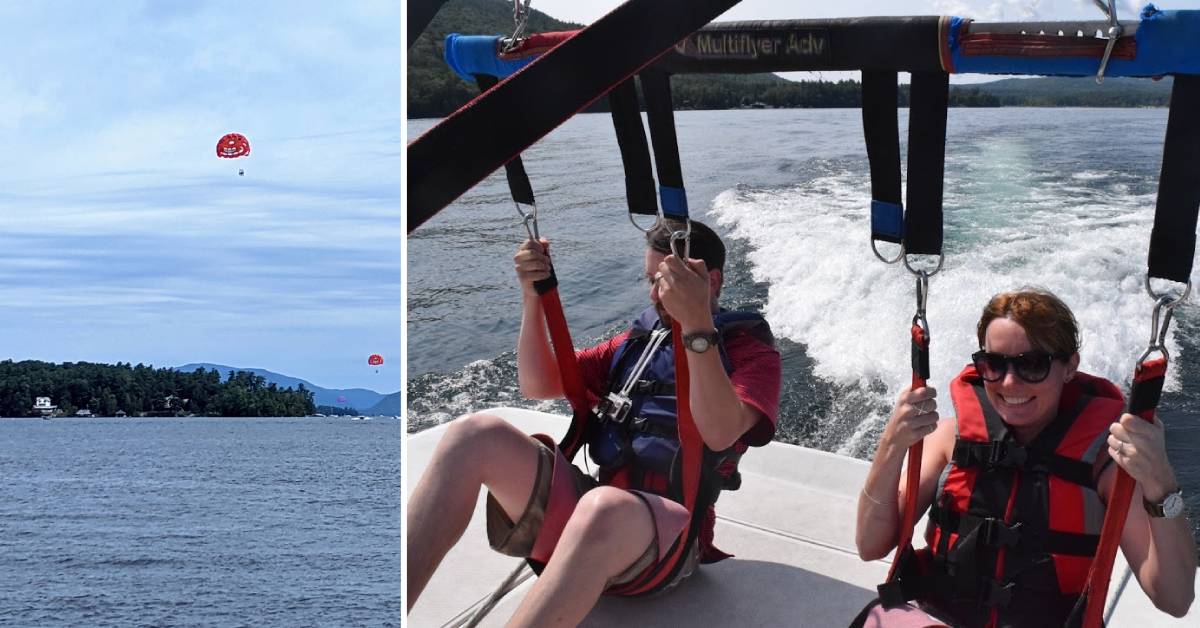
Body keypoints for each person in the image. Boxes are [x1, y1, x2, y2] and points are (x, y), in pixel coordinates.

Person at [407, 219, 782, 627]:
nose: (657, 294)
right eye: (651, 280)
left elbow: (720, 431)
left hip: (670, 543)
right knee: (473, 435)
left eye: (669, 280)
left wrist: (695, 326)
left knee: (604, 508)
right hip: (592, 519)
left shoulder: (752, 356)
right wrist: (534, 297)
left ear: (710, 280)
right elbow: (539, 383)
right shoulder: (635, 346)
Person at [853, 288, 1196, 628]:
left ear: (1069, 366)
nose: (1010, 382)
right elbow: (871, 545)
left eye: (1032, 365)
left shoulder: (1104, 463)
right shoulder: (950, 439)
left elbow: (1174, 599)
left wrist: (1160, 482)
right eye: (994, 364)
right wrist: (891, 446)